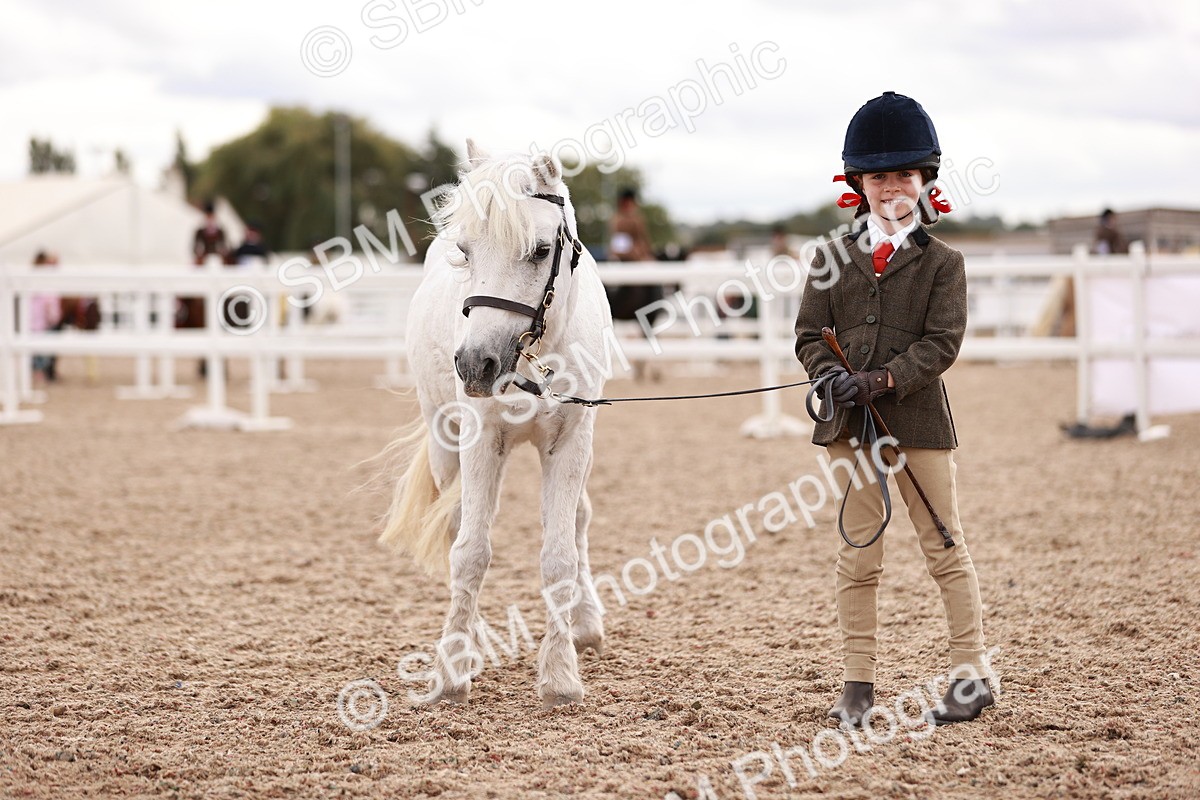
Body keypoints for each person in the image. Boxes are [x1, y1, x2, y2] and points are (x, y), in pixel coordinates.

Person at [794, 92, 993, 727]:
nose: (891, 187)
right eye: (879, 176)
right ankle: (857, 683)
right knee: (859, 553)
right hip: (850, 428)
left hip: (920, 424)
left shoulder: (943, 264)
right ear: (859, 182)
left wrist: (880, 379)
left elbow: (943, 344)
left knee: (943, 543)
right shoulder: (829, 258)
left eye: (903, 176)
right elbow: (807, 334)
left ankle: (971, 675)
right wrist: (830, 377)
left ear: (923, 180)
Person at [29, 251, 62, 384]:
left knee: (46, 347)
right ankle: (40, 371)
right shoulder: (41, 279)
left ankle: (43, 371)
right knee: (42, 348)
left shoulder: (40, 278)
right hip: (42, 319)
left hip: (44, 318)